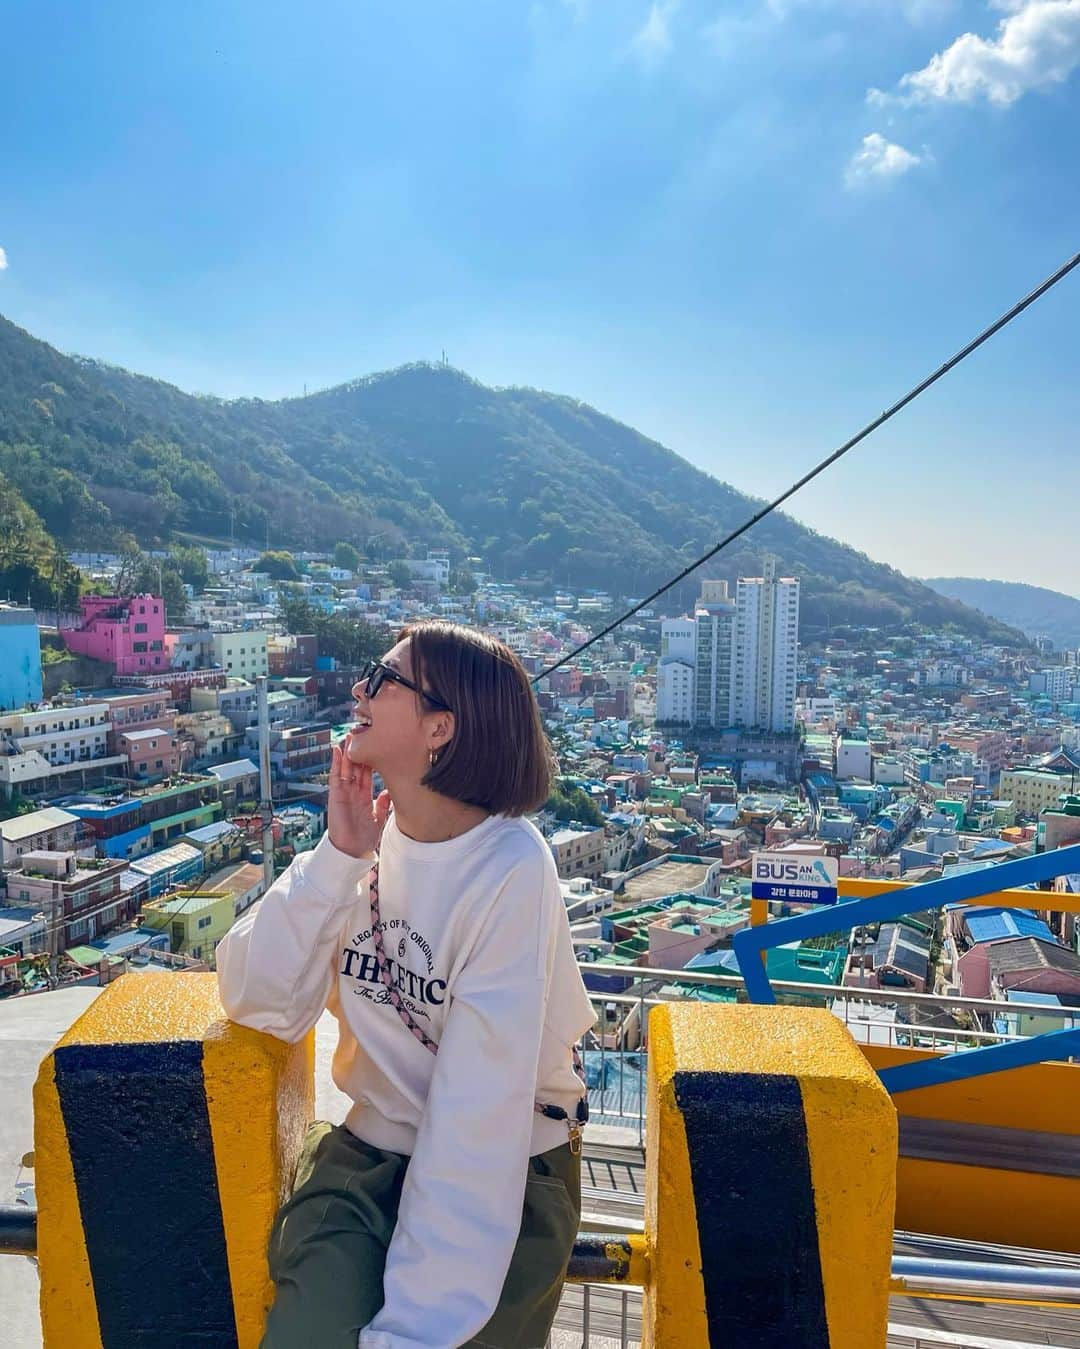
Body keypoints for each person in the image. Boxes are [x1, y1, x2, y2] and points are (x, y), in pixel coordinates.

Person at [216, 621, 596, 1349]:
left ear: (439, 727)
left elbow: (478, 1114)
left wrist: (413, 1330)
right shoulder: (367, 840)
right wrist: (335, 855)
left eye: (380, 677)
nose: (358, 689)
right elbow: (256, 997)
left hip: (508, 1173)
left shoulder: (511, 867)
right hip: (369, 1156)